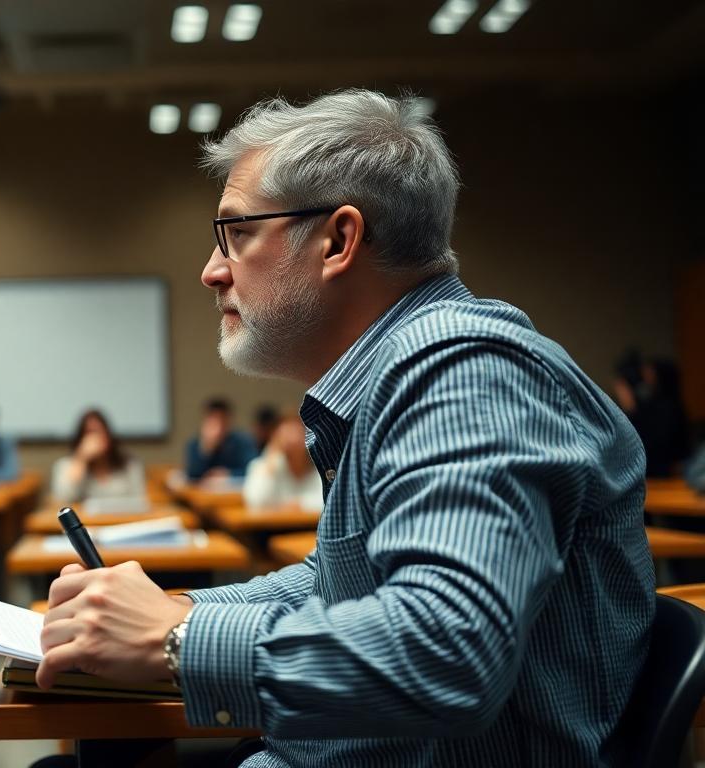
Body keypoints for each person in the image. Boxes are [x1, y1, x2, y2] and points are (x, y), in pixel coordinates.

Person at [34, 90, 652, 767]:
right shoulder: (405, 373)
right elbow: (339, 580)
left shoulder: (463, 370)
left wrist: (176, 637)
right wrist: (165, 608)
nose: (211, 271)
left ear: (338, 239)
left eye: (237, 234)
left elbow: (446, 651)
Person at [613, 351, 692, 478]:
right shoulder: (658, 403)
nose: (645, 376)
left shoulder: (667, 408)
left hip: (665, 475)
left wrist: (631, 410)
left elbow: (649, 445)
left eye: (650, 372)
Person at [50, 409, 146, 503]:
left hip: (124, 517)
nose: (95, 439)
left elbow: (140, 500)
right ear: (80, 439)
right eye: (89, 433)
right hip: (84, 518)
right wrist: (81, 459)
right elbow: (64, 499)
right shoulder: (65, 465)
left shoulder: (129, 465)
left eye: (99, 432)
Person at [242, 415, 322, 512]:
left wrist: (300, 505)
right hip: (271, 526)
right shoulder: (260, 466)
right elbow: (255, 502)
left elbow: (330, 500)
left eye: (298, 434)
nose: (293, 440)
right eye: (287, 435)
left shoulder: (321, 467)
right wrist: (271, 458)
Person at [184, 397, 257, 481]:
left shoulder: (242, 442)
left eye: (222, 420)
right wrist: (206, 448)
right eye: (213, 420)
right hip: (203, 493)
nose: (218, 427)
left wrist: (229, 474)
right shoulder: (195, 444)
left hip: (234, 492)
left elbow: (253, 470)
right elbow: (192, 475)